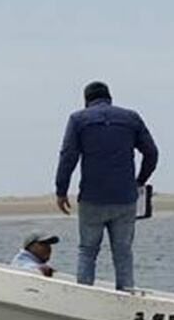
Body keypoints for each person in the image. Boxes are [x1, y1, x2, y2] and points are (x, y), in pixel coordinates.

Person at [54, 81, 159, 290]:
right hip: (125, 197)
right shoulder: (131, 118)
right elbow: (151, 152)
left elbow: (68, 156)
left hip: (92, 197)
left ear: (86, 100)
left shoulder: (78, 119)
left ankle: (84, 295)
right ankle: (126, 294)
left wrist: (61, 190)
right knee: (123, 252)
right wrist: (140, 181)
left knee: (87, 250)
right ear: (109, 97)